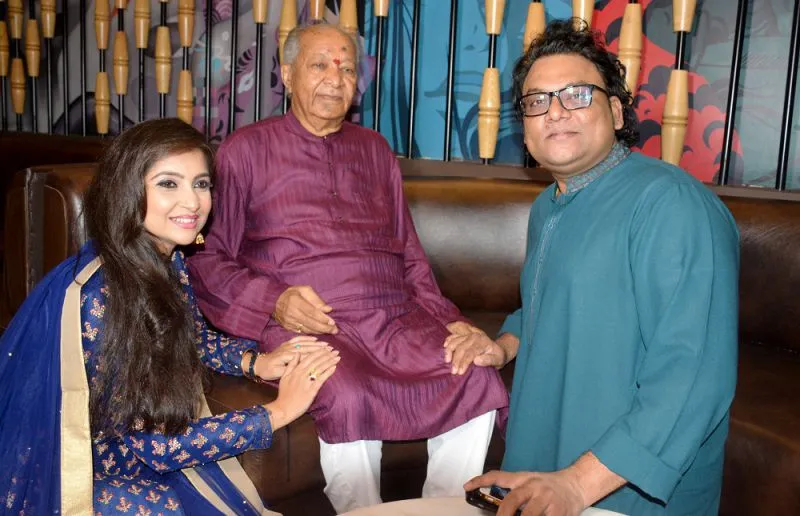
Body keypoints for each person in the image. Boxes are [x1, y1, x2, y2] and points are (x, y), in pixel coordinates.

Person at [187, 23, 509, 512]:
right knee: (346, 391)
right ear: (288, 73)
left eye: (347, 67)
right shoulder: (244, 150)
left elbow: (409, 254)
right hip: (311, 323)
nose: (336, 79)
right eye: (320, 65)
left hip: (395, 319)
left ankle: (443, 508)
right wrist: (275, 300)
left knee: (472, 374)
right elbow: (208, 259)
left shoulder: (375, 149)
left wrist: (454, 321)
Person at [451, 20, 739, 516]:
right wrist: (501, 346)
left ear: (616, 108)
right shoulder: (548, 206)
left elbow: (692, 379)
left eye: (577, 95)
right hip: (548, 477)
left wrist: (578, 485)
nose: (556, 112)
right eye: (537, 100)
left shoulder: (671, 203)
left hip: (628, 494)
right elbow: (548, 301)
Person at [0, 118, 340, 515]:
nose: (193, 202)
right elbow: (159, 447)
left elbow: (187, 338)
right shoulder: (105, 295)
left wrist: (255, 361)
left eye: (201, 183)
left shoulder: (162, 259)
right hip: (85, 472)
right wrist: (279, 411)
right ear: (128, 190)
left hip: (135, 454)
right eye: (168, 183)